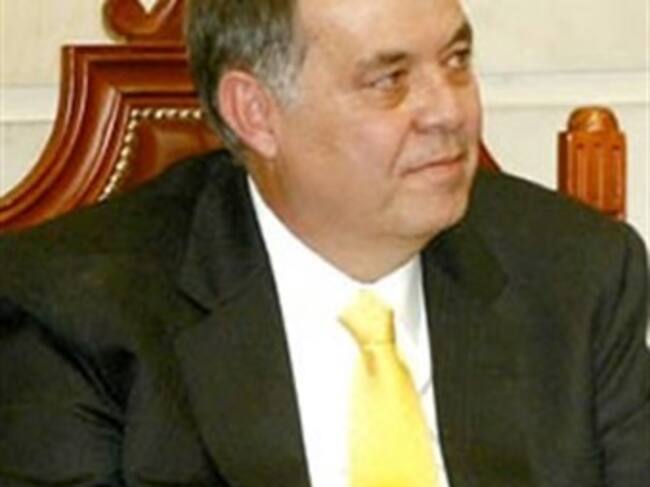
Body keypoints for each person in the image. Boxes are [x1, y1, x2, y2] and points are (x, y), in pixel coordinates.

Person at [0, 0, 647, 485]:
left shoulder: (577, 273)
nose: (450, 112)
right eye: (389, 79)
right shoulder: (76, 314)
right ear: (256, 113)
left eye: (455, 61)